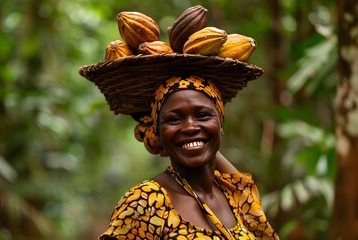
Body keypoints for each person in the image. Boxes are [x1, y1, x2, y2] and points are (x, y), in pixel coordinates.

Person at [79, 12, 279, 240]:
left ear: (221, 123)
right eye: (174, 119)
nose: (190, 126)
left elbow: (260, 224)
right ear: (159, 132)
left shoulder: (233, 195)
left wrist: (198, 139)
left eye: (203, 115)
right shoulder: (146, 202)